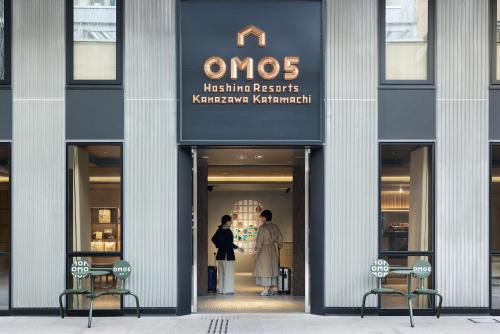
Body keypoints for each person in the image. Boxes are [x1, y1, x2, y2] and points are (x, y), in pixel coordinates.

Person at [252, 209, 283, 296]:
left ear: (264, 218)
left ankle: (266, 289)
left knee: (264, 268)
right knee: (272, 268)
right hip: (272, 248)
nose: (261, 219)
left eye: (262, 217)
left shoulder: (262, 228)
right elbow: (280, 238)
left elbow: (259, 240)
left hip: (264, 249)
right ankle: (270, 289)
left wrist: (256, 250)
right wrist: (280, 245)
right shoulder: (275, 226)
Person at [211, 215, 240, 294]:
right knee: (228, 272)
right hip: (228, 254)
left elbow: (213, 239)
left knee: (221, 273)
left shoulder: (219, 230)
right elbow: (229, 243)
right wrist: (238, 248)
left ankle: (221, 289)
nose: (231, 222)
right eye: (230, 221)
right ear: (226, 222)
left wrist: (219, 246)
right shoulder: (227, 231)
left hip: (220, 254)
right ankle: (227, 290)